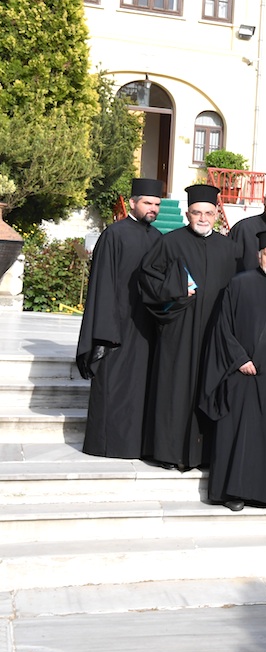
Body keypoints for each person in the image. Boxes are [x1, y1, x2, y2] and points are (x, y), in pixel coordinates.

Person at [200, 231, 266, 510]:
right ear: (259, 256)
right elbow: (223, 328)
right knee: (237, 433)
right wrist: (239, 359)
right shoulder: (238, 284)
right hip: (241, 373)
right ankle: (232, 492)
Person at [139, 184, 237, 470]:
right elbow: (148, 279)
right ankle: (168, 453)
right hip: (179, 330)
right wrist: (176, 289)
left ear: (217, 214)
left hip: (214, 332)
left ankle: (204, 454)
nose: (202, 218)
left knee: (209, 387)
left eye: (208, 213)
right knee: (174, 389)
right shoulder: (170, 242)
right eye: (196, 213)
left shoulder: (229, 248)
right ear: (187, 214)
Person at [77, 177, 164, 459]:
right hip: (115, 328)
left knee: (139, 390)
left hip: (145, 326)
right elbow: (102, 284)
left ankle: (134, 446)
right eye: (148, 203)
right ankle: (105, 445)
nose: (153, 208)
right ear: (133, 203)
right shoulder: (114, 234)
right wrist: (104, 332)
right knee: (112, 386)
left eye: (157, 204)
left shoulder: (158, 238)